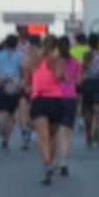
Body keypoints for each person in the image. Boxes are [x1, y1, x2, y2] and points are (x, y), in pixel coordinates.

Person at [29, 34, 65, 186]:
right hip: (56, 100)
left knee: (42, 136)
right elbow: (59, 77)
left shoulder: (36, 59)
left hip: (39, 98)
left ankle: (46, 166)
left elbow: (29, 73)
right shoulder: (58, 60)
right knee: (52, 136)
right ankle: (50, 162)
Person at [56, 36, 82, 176]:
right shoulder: (77, 63)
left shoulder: (53, 62)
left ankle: (52, 159)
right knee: (66, 133)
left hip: (54, 97)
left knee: (54, 131)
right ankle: (64, 163)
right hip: (70, 97)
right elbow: (79, 82)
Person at [80, 34, 99, 148]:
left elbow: (84, 68)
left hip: (88, 83)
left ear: (89, 43)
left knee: (88, 111)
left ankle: (89, 135)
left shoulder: (86, 54)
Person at [0, 35, 24, 150]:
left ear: (5, 43)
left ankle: (1, 125)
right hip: (14, 85)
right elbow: (23, 70)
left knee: (2, 111)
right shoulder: (19, 56)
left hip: (2, 85)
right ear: (16, 44)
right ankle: (6, 140)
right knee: (11, 115)